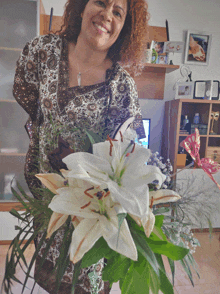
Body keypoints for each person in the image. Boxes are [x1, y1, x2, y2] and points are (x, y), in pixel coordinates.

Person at [13, 0, 149, 293]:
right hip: (48, 202)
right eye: (101, 2)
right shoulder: (43, 53)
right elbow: (29, 99)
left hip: (91, 212)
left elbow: (120, 158)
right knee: (49, 279)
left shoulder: (120, 86)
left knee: (84, 283)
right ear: (82, 6)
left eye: (118, 12)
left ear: (125, 27)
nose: (106, 15)